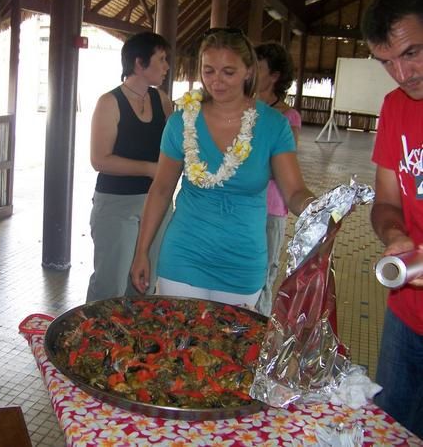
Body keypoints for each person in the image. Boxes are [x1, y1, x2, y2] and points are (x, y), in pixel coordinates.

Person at [130, 28, 315, 309]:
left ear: (248, 72)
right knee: (180, 346)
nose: (216, 81)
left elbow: (295, 191)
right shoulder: (181, 122)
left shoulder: (273, 126)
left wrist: (318, 207)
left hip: (242, 262)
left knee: (231, 349)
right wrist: (142, 251)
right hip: (184, 254)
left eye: (228, 72)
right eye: (209, 71)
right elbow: (161, 190)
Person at [362, 0, 423, 438]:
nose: (403, 75)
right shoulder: (395, 106)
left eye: (412, 53)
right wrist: (395, 233)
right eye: (387, 62)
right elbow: (385, 201)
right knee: (390, 429)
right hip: (406, 315)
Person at [86, 32, 173, 302]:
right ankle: (95, 341)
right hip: (116, 204)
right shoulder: (109, 102)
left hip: (157, 204)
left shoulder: (163, 101)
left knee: (145, 283)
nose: (167, 66)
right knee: (109, 285)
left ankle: (135, 342)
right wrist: (149, 169)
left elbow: (176, 151)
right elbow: (100, 159)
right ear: (139, 63)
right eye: (161, 59)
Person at [254, 42, 302, 317]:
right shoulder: (242, 108)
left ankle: (258, 330)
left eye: (257, 68)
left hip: (271, 207)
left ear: (274, 76)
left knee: (264, 275)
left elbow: (283, 165)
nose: (250, 72)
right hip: (244, 205)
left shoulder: (287, 116)